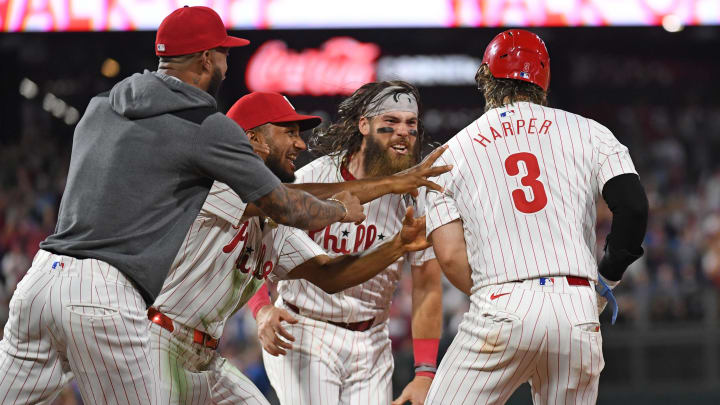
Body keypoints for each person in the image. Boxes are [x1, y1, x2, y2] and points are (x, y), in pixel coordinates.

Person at [0, 6, 363, 405]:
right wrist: (341, 209)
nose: (228, 62)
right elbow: (285, 207)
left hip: (41, 279)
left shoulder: (100, 106)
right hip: (105, 291)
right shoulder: (206, 125)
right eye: (224, 52)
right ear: (206, 58)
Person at [149, 91, 450, 405]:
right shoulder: (215, 181)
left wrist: (398, 246)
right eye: (288, 133)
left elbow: (329, 274)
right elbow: (294, 201)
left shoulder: (273, 222)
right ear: (252, 139)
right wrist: (384, 187)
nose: (300, 143)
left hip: (206, 354)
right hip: (160, 339)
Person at [423, 29, 648, 404]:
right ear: (542, 80)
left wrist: (501, 296)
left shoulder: (449, 154)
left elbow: (449, 255)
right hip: (576, 304)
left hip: (500, 301)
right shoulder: (591, 132)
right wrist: (606, 278)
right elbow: (634, 207)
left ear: (486, 78)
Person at [249, 82, 445, 405]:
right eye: (391, 122)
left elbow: (427, 284)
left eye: (411, 124)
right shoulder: (314, 178)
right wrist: (261, 310)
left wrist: (425, 371)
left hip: (373, 340)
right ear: (363, 124)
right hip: (305, 329)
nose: (403, 132)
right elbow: (254, 248)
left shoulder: (416, 195)